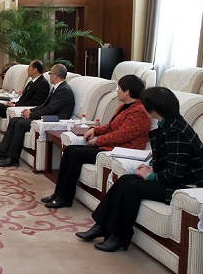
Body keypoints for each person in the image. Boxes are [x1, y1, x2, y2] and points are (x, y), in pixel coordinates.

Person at [77, 86, 203, 252]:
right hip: (180, 178)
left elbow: (175, 173)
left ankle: (120, 237)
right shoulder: (169, 123)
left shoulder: (176, 130)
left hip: (191, 186)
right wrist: (151, 168)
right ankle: (101, 226)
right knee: (124, 180)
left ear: (154, 108)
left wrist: (151, 176)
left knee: (133, 188)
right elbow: (170, 159)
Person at [42, 75, 151, 209]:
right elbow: (110, 127)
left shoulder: (139, 112)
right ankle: (58, 193)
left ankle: (65, 198)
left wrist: (97, 141)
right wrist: (94, 130)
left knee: (76, 154)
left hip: (122, 149)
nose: (117, 91)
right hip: (112, 145)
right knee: (70, 149)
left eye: (119, 88)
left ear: (127, 91)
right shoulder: (124, 106)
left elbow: (121, 136)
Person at [0, 64, 75, 168]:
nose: (49, 76)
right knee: (14, 120)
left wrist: (31, 115)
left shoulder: (64, 90)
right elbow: (44, 106)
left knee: (20, 124)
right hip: (47, 116)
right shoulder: (57, 88)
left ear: (56, 75)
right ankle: (3, 152)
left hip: (54, 120)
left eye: (50, 74)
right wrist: (30, 111)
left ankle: (13, 158)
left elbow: (51, 109)